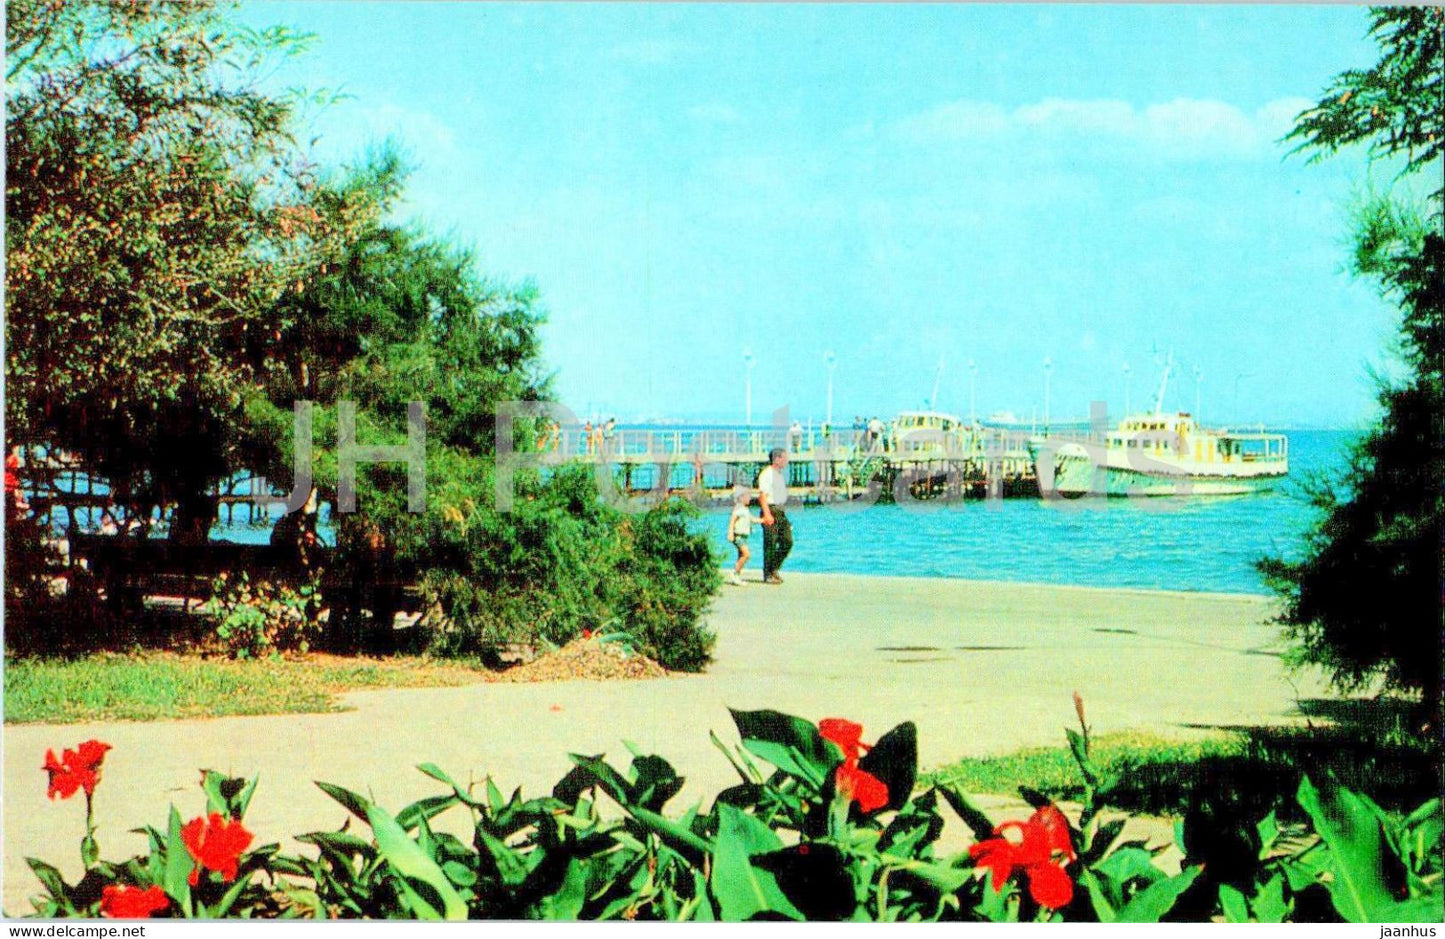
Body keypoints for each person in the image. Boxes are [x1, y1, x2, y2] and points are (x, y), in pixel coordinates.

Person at [757, 447, 792, 585]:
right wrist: (766, 514)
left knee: (787, 541)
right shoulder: (767, 474)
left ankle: (774, 567)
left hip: (780, 511)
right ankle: (768, 573)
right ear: (777, 459)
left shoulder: (779, 475)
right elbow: (762, 496)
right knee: (770, 543)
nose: (786, 461)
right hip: (770, 510)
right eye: (784, 458)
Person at [725, 487, 757, 586]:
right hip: (738, 536)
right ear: (741, 497)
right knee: (746, 555)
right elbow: (732, 520)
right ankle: (734, 573)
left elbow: (752, 519)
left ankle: (737, 576)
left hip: (744, 536)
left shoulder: (745, 509)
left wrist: (764, 520)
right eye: (748, 497)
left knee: (741, 556)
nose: (749, 499)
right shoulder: (739, 508)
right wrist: (730, 532)